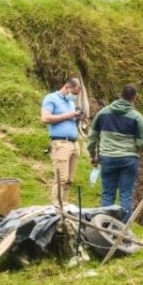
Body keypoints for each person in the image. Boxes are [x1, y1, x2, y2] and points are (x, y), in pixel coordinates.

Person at [88, 84, 143, 214]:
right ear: (134, 97)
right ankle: (123, 227)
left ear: (120, 95)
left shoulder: (103, 113)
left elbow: (92, 137)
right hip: (129, 158)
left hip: (107, 158)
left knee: (107, 195)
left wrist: (93, 155)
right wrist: (141, 147)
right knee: (126, 195)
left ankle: (105, 225)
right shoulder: (136, 117)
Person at [41, 77, 83, 210]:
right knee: (61, 179)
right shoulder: (51, 98)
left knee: (69, 180)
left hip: (74, 144)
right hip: (60, 143)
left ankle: (64, 207)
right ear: (67, 87)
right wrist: (67, 115)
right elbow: (45, 118)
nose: (75, 97)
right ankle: (56, 207)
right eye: (74, 93)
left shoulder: (70, 102)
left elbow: (69, 117)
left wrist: (76, 117)